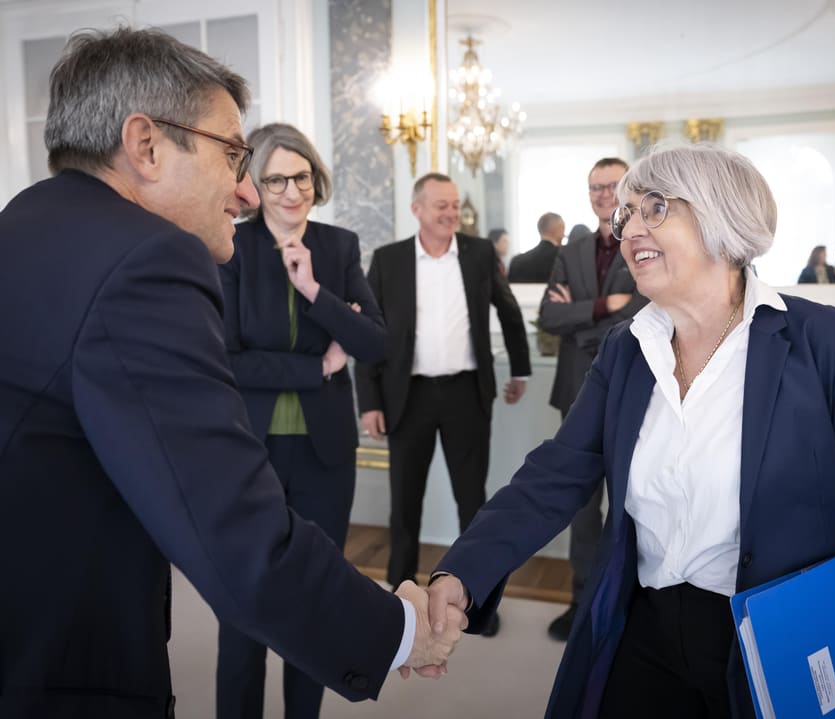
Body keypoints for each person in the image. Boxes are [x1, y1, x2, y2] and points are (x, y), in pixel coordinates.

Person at [0, 27, 464, 719]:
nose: (246, 191)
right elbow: (235, 535)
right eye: (233, 155)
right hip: (64, 664)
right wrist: (399, 631)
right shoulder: (148, 259)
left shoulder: (24, 220)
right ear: (146, 145)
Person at [427, 143, 835, 718]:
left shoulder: (832, 347)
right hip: (645, 625)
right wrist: (463, 570)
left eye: (653, 206)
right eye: (623, 215)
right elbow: (556, 473)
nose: (628, 228)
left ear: (722, 218)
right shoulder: (627, 349)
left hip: (776, 645)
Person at [216, 122, 385, 719]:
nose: (293, 190)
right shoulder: (230, 246)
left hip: (325, 456)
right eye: (277, 179)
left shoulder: (339, 249)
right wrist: (316, 369)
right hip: (250, 452)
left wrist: (314, 289)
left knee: (312, 599)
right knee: (245, 599)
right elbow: (230, 360)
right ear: (255, 184)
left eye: (303, 176)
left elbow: (373, 342)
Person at [354, 173, 531, 638]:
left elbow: (509, 311)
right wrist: (369, 400)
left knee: (473, 503)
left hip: (466, 395)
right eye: (441, 206)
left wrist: (521, 370)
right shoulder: (389, 260)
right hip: (406, 398)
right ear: (417, 210)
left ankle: (479, 606)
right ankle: (399, 600)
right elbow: (369, 333)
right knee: (404, 504)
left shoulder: (478, 254)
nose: (451, 213)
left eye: (455, 206)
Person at [539, 157, 647, 642]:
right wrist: (607, 307)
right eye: (595, 187)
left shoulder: (648, 239)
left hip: (634, 389)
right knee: (581, 504)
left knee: (631, 503)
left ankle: (625, 605)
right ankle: (579, 603)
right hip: (576, 391)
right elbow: (548, 315)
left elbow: (649, 310)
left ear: (630, 189)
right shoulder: (573, 249)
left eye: (612, 185)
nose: (604, 194)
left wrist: (581, 322)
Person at [507, 212, 565, 282]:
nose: (564, 235)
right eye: (563, 229)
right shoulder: (564, 258)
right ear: (559, 230)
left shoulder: (517, 261)